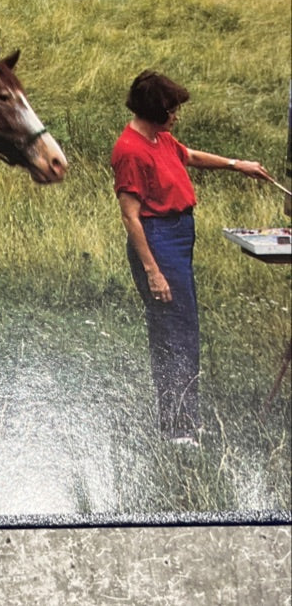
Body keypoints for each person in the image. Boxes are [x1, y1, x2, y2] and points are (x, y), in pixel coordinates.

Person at [112, 70, 272, 444]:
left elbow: (191, 156)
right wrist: (153, 272)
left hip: (179, 236)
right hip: (158, 240)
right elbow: (130, 216)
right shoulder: (131, 150)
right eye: (172, 110)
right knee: (174, 335)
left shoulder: (159, 137)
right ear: (155, 110)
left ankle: (185, 419)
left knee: (184, 331)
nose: (176, 116)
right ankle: (178, 430)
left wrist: (237, 165)